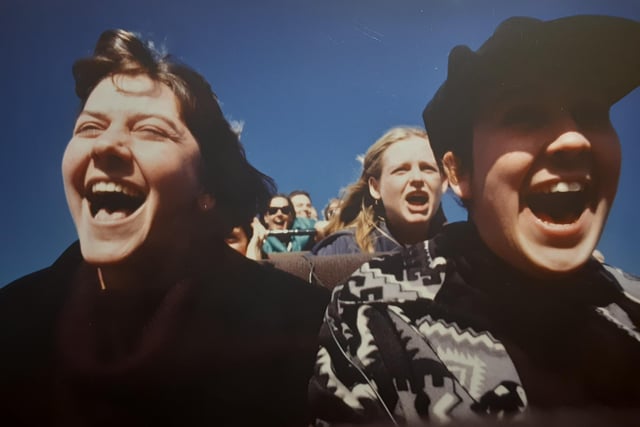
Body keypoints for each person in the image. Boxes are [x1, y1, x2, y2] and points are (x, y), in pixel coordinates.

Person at [309, 15, 640, 425]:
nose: (575, 139)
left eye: (591, 114)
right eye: (526, 116)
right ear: (460, 173)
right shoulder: (370, 311)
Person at [0, 29, 329, 426]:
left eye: (150, 130)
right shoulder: (12, 321)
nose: (105, 146)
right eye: (89, 128)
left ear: (208, 185)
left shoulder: (306, 326)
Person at [312, 126, 447, 255]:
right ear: (375, 188)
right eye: (401, 170)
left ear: (444, 182)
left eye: (428, 168)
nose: (417, 178)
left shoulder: (463, 250)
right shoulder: (342, 249)